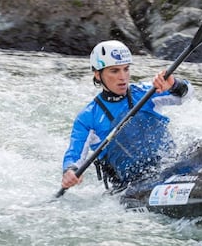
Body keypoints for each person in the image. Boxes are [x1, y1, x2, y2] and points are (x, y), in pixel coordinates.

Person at [61, 40, 194, 191]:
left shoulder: (146, 92)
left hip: (171, 165)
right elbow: (74, 155)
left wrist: (174, 84)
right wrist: (70, 171)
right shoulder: (88, 117)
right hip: (136, 188)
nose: (123, 77)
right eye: (114, 71)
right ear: (98, 75)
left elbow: (186, 95)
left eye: (126, 69)